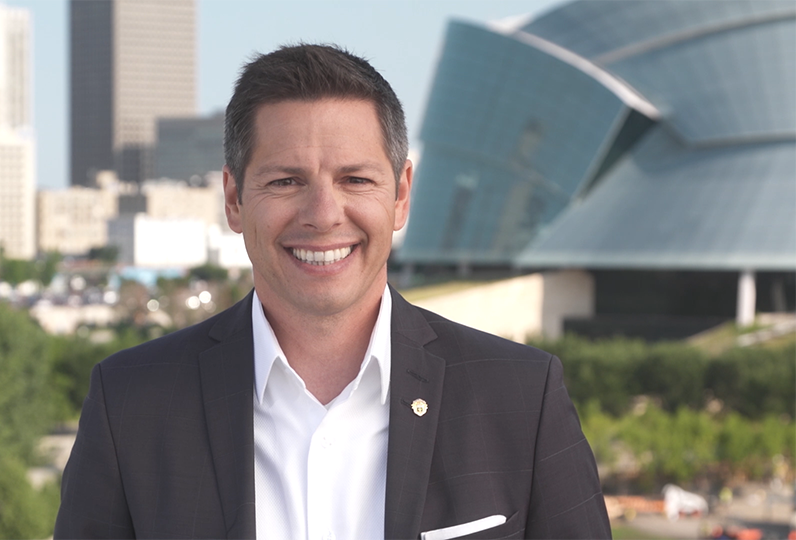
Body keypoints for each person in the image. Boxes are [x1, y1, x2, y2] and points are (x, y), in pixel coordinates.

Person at [55, 43, 611, 540]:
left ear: (401, 196)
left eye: (355, 179)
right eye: (286, 181)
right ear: (233, 199)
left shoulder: (522, 398)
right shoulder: (130, 404)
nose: (323, 215)